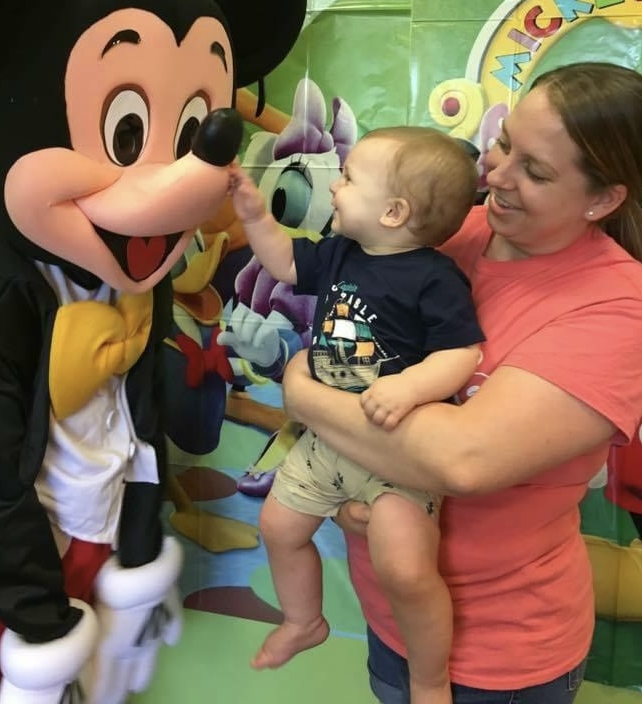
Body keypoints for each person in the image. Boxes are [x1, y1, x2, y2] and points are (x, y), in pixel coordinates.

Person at [279, 61, 642, 704]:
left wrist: (303, 391)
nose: (495, 175)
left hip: (498, 657)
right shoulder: (453, 235)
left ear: (603, 199)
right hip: (389, 617)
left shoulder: (616, 309)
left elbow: (463, 459)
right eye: (504, 143)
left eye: (535, 170)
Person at [229, 126, 484, 703]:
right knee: (278, 526)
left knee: (406, 569)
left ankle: (428, 677)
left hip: (396, 457)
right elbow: (284, 263)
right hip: (327, 440)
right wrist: (252, 216)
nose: (335, 189)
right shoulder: (340, 251)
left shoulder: (435, 278)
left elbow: (462, 351)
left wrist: (412, 387)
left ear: (393, 212)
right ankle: (303, 621)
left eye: (347, 179)